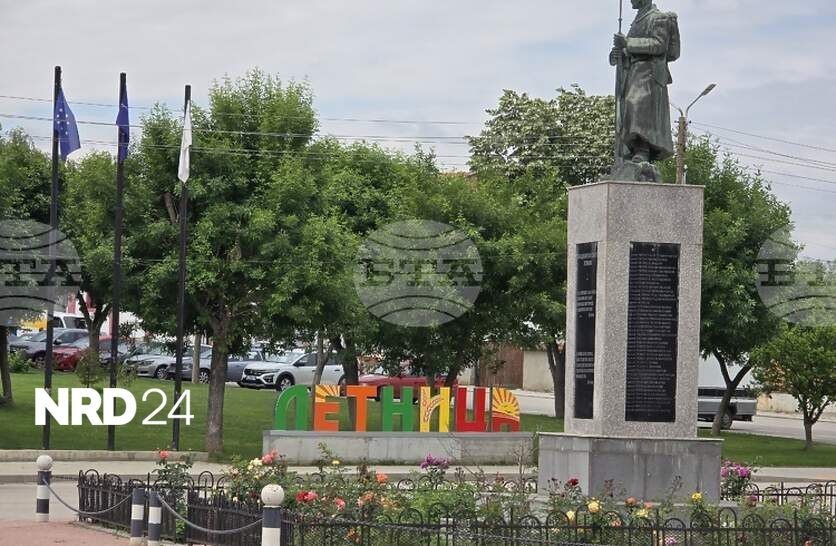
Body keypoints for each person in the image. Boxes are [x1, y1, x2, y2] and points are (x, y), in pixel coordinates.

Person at [610, 0, 680, 174]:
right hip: (632, 72)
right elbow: (627, 49)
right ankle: (632, 149)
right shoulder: (637, 20)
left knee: (637, 105)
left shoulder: (659, 18)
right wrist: (618, 52)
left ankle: (643, 149)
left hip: (649, 73)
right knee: (627, 110)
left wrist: (628, 43)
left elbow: (659, 45)